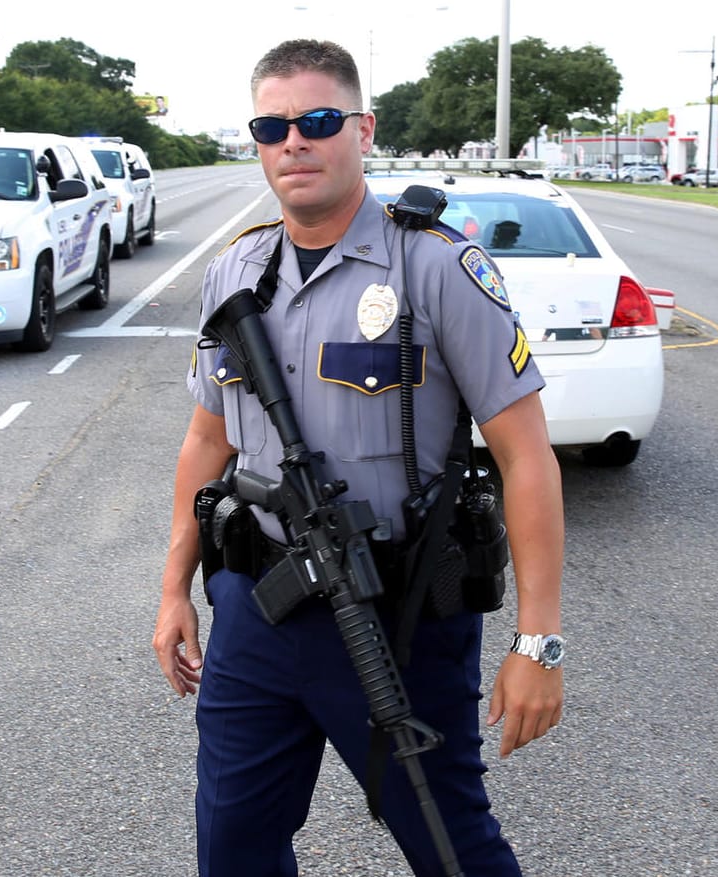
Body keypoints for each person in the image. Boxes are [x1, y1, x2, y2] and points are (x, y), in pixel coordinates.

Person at [150, 39, 565, 876]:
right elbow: (207, 439)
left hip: (397, 616)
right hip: (256, 614)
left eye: (317, 120)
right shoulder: (237, 269)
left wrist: (538, 641)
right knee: (232, 850)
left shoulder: (437, 267)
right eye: (273, 125)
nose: (293, 141)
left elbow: (525, 457)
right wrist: (172, 591)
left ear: (362, 129)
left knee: (453, 849)